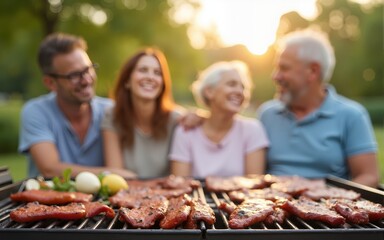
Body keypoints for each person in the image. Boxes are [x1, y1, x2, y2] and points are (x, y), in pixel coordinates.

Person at [257, 29, 379, 187]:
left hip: (327, 207)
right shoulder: (267, 114)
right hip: (271, 206)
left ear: (313, 71)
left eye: (284, 68)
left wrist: (324, 198)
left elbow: (369, 176)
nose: (275, 76)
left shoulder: (352, 115)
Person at [19, 33, 135, 179]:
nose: (86, 80)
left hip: (101, 201)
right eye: (74, 75)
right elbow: (50, 169)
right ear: (50, 83)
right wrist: (112, 173)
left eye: (88, 69)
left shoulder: (110, 110)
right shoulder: (36, 112)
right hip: (47, 200)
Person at [169, 60, 269, 178]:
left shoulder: (252, 129)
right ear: (209, 91)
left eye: (242, 87)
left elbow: (254, 183)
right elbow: (180, 184)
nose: (239, 91)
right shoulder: (186, 131)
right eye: (231, 84)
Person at [102, 47, 189, 179]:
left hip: (166, 196)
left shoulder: (176, 120)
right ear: (127, 81)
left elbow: (179, 180)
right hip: (127, 194)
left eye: (157, 73)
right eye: (143, 70)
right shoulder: (113, 116)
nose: (150, 77)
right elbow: (116, 174)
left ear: (162, 84)